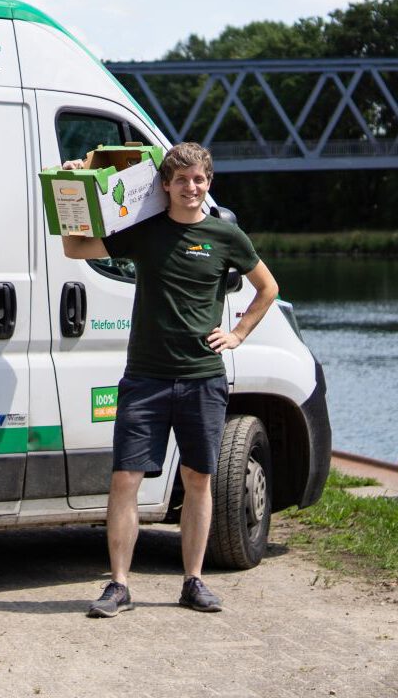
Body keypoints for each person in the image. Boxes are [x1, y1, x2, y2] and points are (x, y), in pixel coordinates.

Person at [60, 142, 278, 618]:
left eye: (199, 179)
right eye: (181, 180)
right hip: (145, 378)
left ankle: (193, 582)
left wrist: (238, 332)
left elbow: (268, 287)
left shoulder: (226, 237)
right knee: (125, 480)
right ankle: (118, 586)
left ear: (208, 183)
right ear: (166, 186)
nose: (191, 188)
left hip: (203, 378)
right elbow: (73, 247)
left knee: (198, 479)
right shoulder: (144, 232)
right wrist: (72, 185)